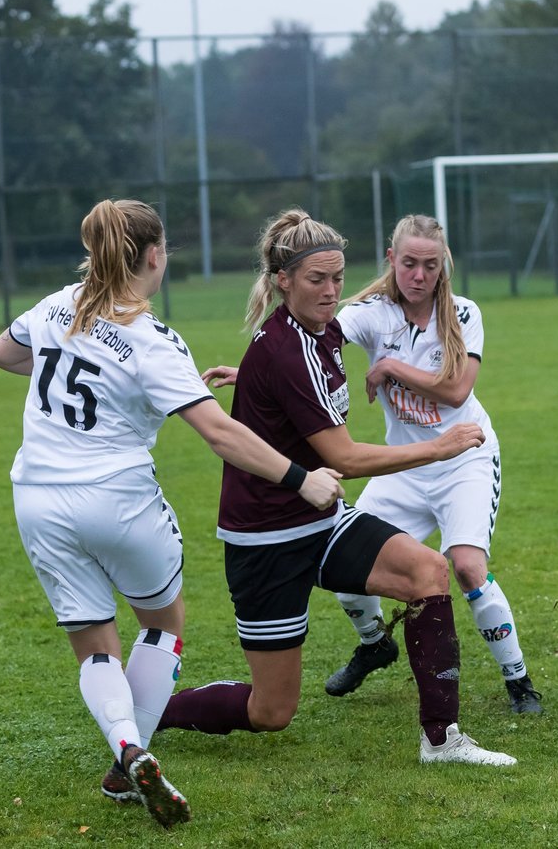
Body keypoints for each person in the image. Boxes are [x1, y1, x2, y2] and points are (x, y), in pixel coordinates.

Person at [0, 199, 344, 829]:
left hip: (37, 498)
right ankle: (131, 760)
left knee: (93, 642)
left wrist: (71, 366)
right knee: (163, 624)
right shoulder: (154, 342)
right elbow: (222, 435)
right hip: (117, 496)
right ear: (155, 257)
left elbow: (3, 354)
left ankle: (126, 750)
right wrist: (301, 478)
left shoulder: (56, 305)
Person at [146, 208, 516, 768]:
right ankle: (150, 709)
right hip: (265, 539)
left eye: (337, 278)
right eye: (317, 280)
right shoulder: (285, 348)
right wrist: (439, 447)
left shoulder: (323, 331)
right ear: (282, 281)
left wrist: (253, 380)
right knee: (271, 711)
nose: (331, 291)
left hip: (321, 518)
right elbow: (343, 456)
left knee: (428, 571)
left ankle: (441, 739)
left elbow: (293, 387)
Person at [315, 214, 543, 714]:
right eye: (410, 263)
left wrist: (392, 366)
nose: (419, 275)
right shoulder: (373, 312)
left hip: (466, 460)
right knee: (343, 563)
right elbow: (311, 343)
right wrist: (255, 372)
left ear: (444, 267)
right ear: (392, 260)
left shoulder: (463, 313)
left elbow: (459, 389)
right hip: (404, 469)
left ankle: (519, 681)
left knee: (465, 567)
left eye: (430, 265)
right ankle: (375, 643)